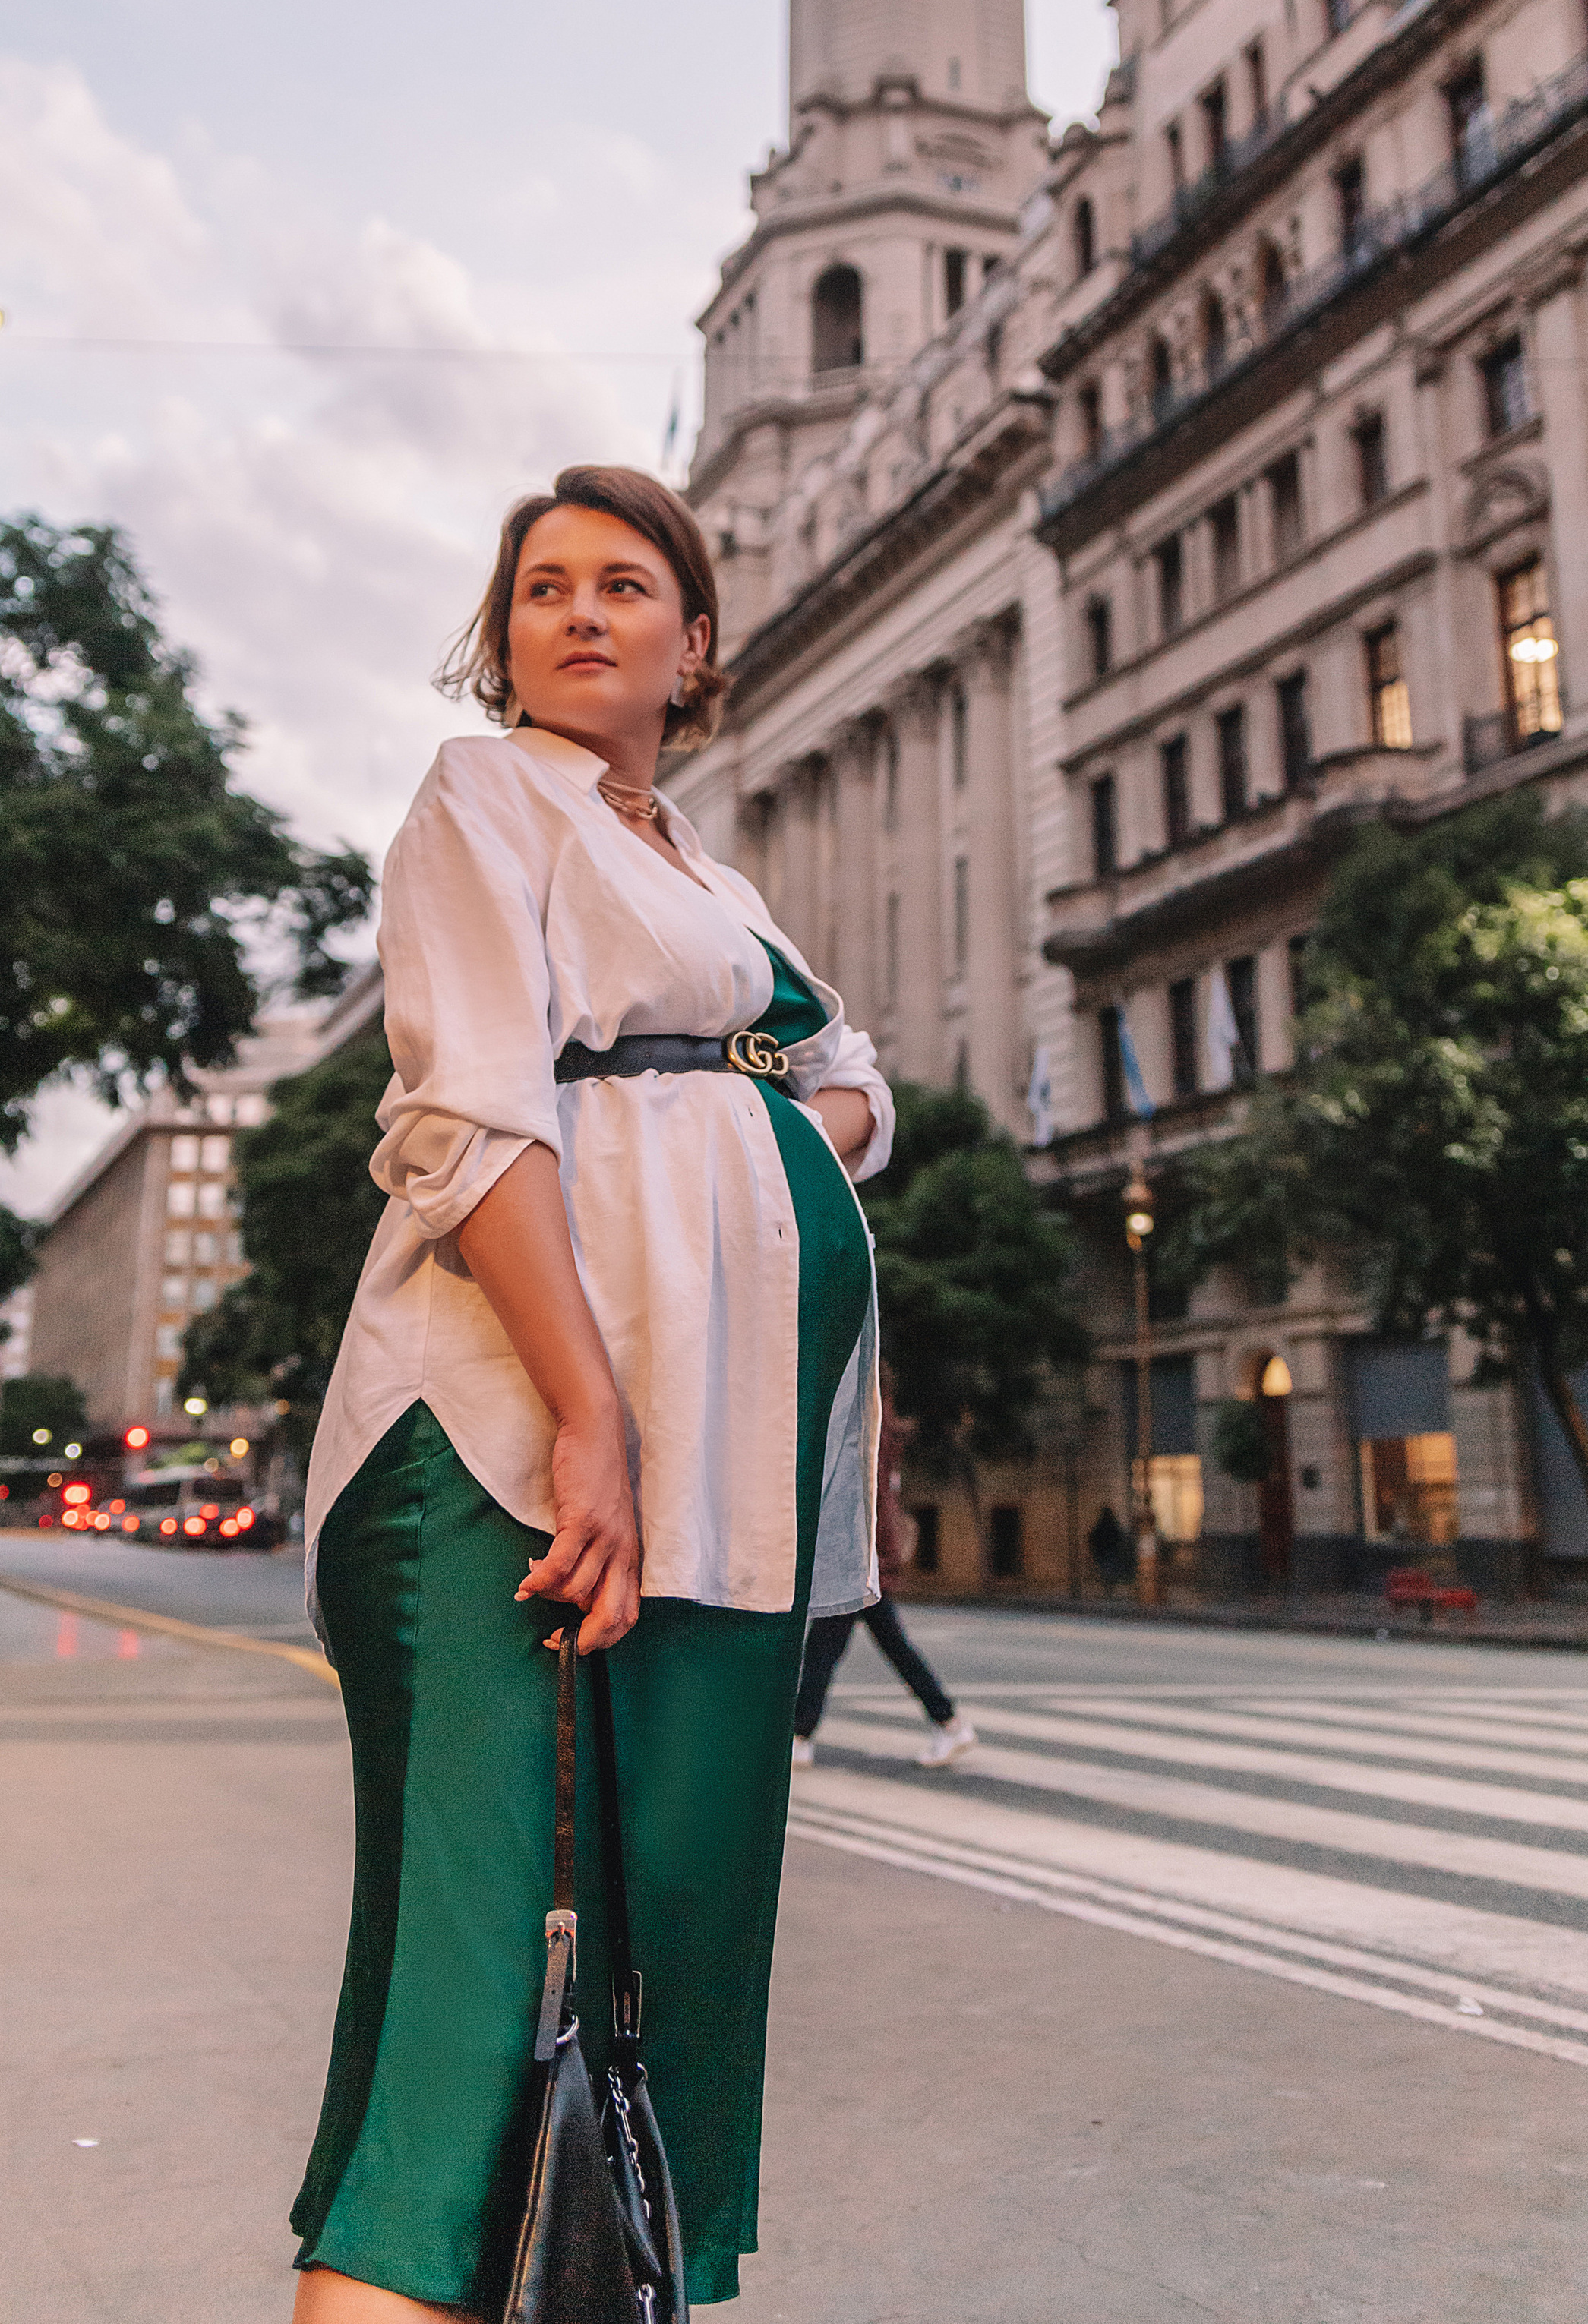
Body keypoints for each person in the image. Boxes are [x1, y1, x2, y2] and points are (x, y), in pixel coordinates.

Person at [289, 464, 893, 2322]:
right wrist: (589, 1416)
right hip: (515, 1441)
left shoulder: (701, 869)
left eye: (622, 584)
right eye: (537, 585)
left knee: (648, 1997)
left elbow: (856, 1074)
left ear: (690, 643)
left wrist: (773, 1135)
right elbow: (469, 1124)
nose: (574, 609)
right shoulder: (488, 797)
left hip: (722, 1467)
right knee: (475, 2015)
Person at [789, 1369, 976, 1769]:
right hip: (864, 1557)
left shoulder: (865, 1432)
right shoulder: (878, 1430)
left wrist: (860, 1555)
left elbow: (866, 1501)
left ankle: (801, 1737)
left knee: (828, 1648)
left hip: (859, 1557)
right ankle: (947, 1721)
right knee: (872, 1646)